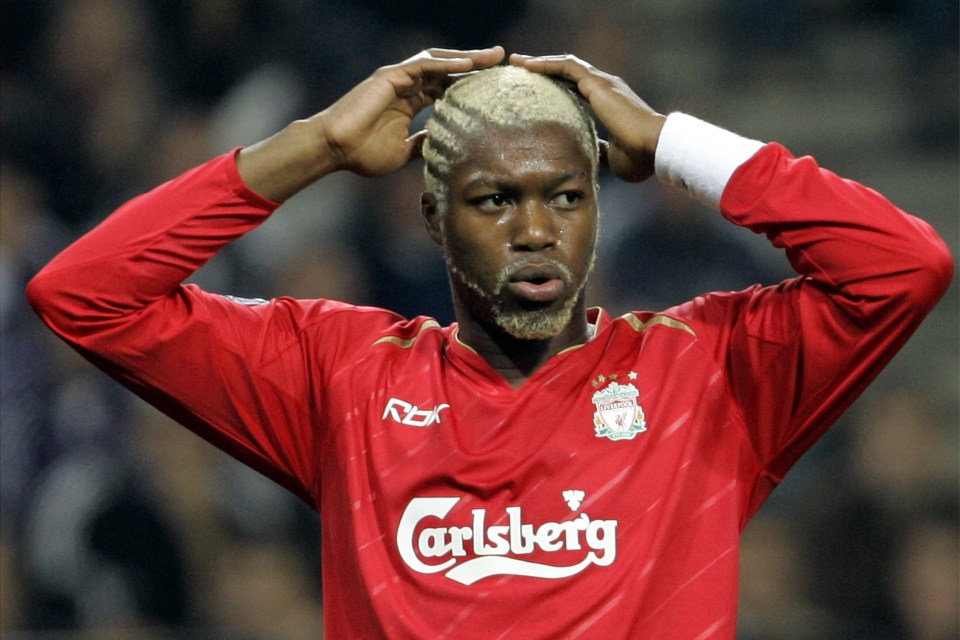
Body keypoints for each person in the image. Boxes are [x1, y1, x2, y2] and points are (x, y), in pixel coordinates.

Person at [26, 46, 953, 638]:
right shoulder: (341, 378)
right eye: (494, 200)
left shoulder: (706, 372)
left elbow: (903, 265)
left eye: (567, 194)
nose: (537, 229)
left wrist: (673, 142)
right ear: (433, 219)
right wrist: (313, 147)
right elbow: (85, 295)